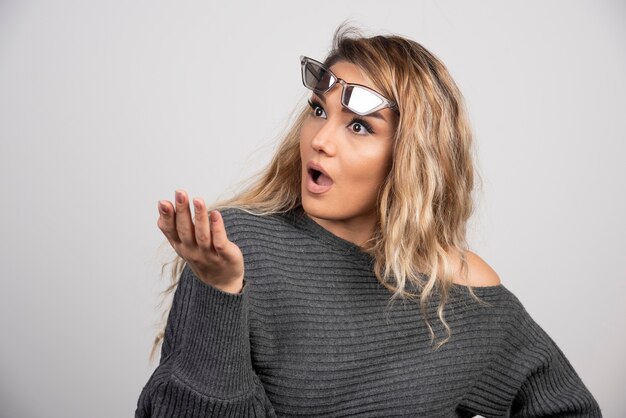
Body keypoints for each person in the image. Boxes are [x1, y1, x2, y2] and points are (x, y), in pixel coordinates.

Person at [135, 23, 602, 417]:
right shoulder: (234, 249)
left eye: (358, 126)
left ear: (413, 157)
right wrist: (219, 290)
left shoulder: (462, 291)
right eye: (319, 111)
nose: (320, 140)